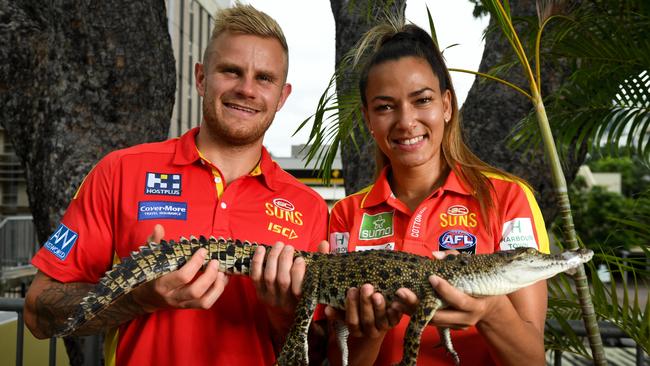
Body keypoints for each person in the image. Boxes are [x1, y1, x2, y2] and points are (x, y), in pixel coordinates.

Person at [24, 3, 329, 365]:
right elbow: (37, 312)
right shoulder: (120, 173)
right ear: (201, 78)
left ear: (282, 96)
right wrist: (138, 297)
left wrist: (283, 313)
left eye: (264, 78)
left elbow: (321, 350)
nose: (247, 89)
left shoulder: (309, 207)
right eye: (231, 71)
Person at [325, 21, 550, 366]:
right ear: (369, 118)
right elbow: (341, 357)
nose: (406, 121)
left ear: (446, 105)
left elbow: (531, 360)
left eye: (422, 100)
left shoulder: (508, 199)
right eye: (385, 106)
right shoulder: (346, 214)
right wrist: (368, 336)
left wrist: (489, 310)